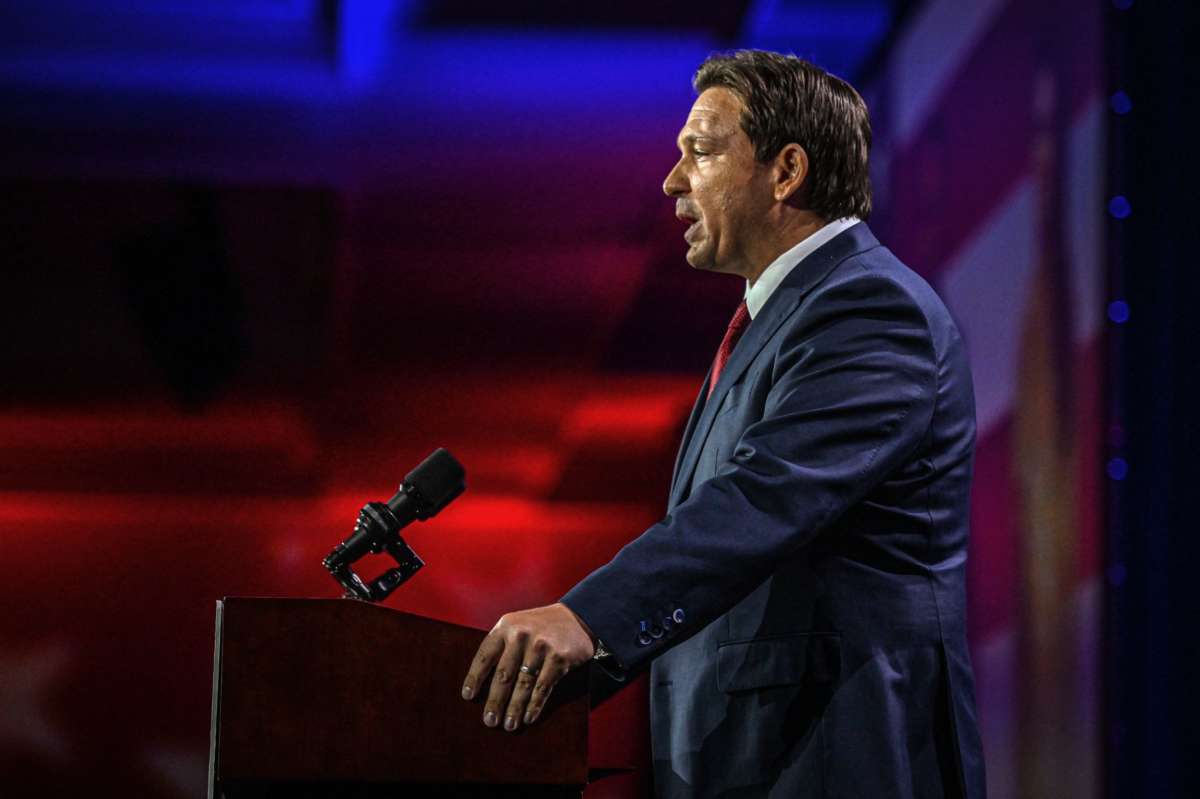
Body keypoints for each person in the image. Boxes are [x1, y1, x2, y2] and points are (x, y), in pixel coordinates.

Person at [460, 49, 986, 798]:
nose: (673, 182)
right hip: (760, 754)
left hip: (837, 750)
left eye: (700, 152)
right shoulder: (783, 316)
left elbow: (762, 499)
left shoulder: (871, 308)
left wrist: (587, 618)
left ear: (786, 171)